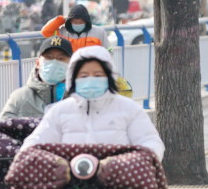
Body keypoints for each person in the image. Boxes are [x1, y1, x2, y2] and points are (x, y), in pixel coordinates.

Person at [20, 45, 164, 160]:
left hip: (119, 187)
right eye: (84, 75)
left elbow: (150, 141)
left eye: (97, 75)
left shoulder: (129, 109)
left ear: (109, 77)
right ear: (72, 78)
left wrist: (136, 162)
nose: (90, 79)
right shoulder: (60, 111)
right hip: (70, 187)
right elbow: (36, 142)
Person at [0, 36, 73, 119]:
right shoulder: (21, 97)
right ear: (38, 63)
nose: (54, 62)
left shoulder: (80, 98)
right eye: (49, 57)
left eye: (61, 58)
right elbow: (0, 128)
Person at [41, 3, 109, 50]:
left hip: (91, 69)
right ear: (70, 21)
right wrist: (62, 19)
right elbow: (45, 32)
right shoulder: (62, 32)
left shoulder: (99, 32)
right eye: (75, 22)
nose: (78, 24)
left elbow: (108, 52)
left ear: (86, 21)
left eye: (81, 22)